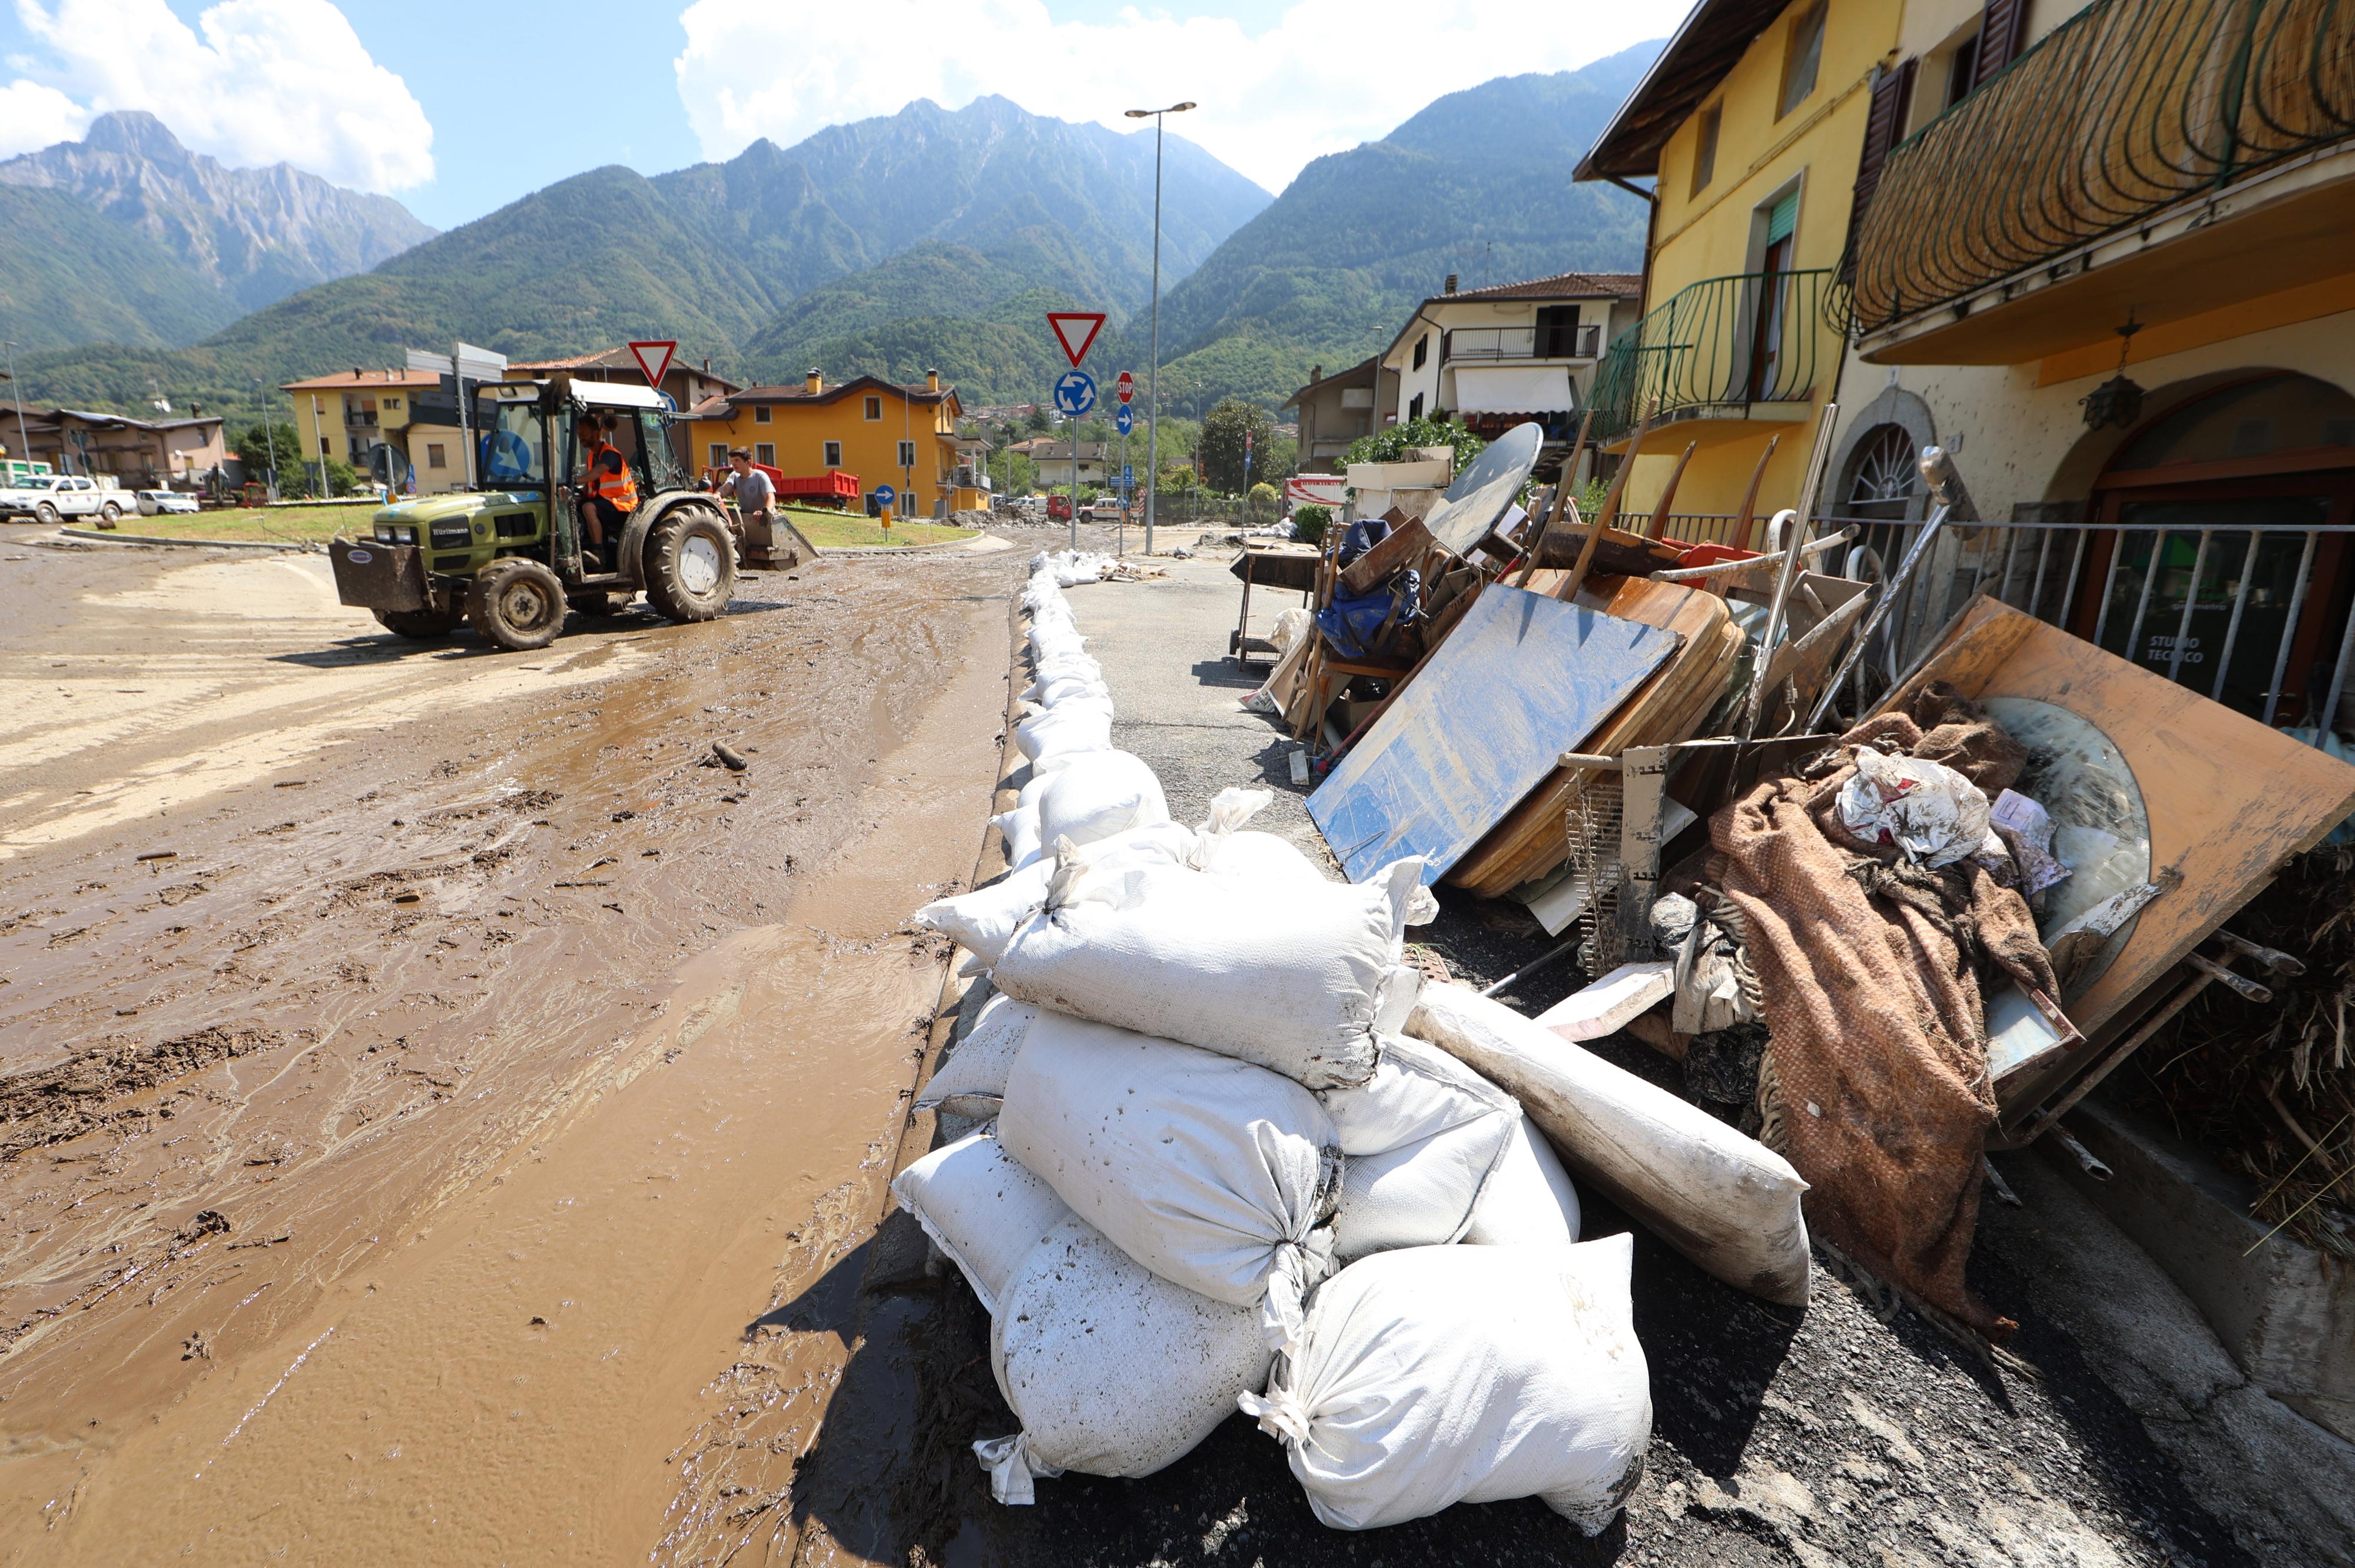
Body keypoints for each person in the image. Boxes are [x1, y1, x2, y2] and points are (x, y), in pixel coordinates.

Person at [575, 414, 638, 567]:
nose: (580, 437)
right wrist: (578, 495)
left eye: (584, 433)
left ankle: (598, 553)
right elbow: (592, 483)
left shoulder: (610, 454)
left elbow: (597, 473)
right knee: (575, 505)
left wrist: (573, 481)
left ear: (596, 434)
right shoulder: (592, 455)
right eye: (578, 433)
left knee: (588, 507)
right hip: (606, 501)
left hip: (623, 504)